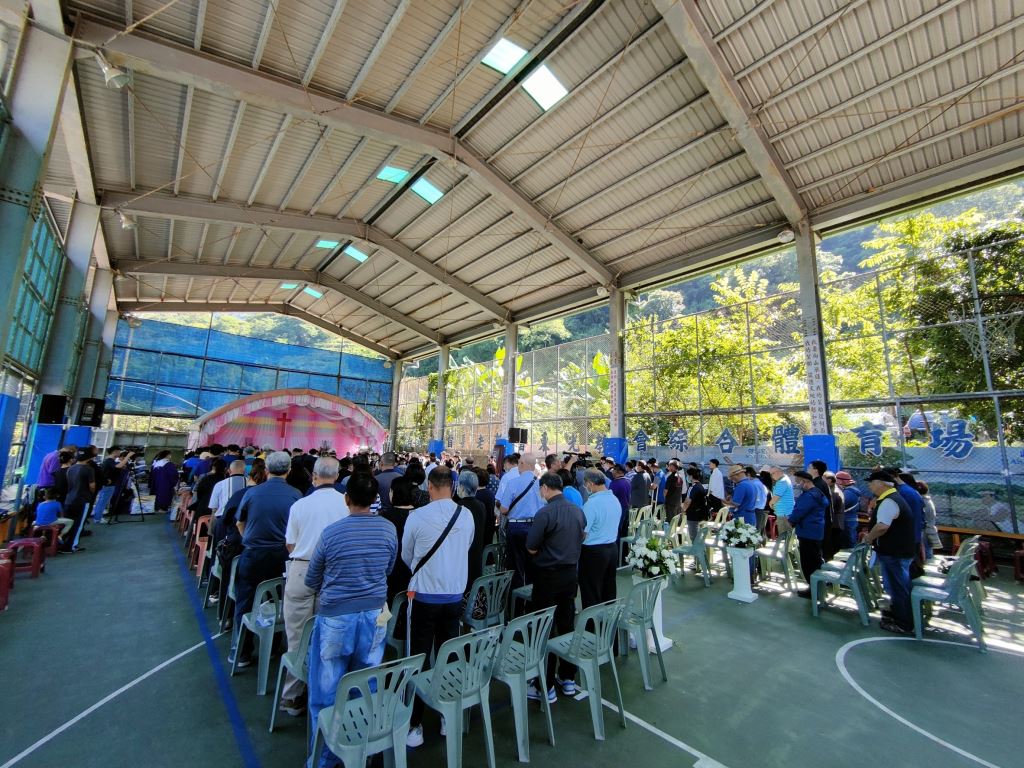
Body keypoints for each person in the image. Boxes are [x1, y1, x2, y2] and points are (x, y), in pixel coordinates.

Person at [305, 472, 397, 767]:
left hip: (336, 617)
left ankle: (327, 757)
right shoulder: (388, 529)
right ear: (375, 499)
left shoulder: (331, 533)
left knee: (326, 690)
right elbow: (389, 567)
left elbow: (311, 578)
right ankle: (363, 748)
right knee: (367, 683)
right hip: (374, 615)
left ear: (347, 499)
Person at [403, 467, 475, 748]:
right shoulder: (466, 515)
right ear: (453, 487)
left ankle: (414, 723)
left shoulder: (417, 516)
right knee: (449, 654)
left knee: (418, 657)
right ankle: (447, 715)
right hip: (454, 596)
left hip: (423, 596)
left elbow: (407, 554)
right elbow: (467, 546)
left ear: (430, 486)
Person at [280, 456, 348, 717]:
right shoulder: (346, 503)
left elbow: (290, 544)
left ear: (314, 477)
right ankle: (326, 693)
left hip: (302, 569)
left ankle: (292, 695)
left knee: (297, 635)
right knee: (330, 634)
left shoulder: (300, 505)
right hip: (334, 572)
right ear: (337, 476)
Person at [229, 451, 301, 667]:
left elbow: (239, 522)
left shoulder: (252, 493)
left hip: (253, 553)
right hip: (282, 555)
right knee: (278, 601)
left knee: (245, 601)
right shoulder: (296, 495)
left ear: (266, 470)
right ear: (289, 471)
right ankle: (272, 647)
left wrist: (249, 539)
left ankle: (241, 651)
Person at [526, 472, 586, 702]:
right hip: (570, 574)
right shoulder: (577, 510)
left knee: (544, 628)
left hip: (548, 576)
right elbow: (582, 535)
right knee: (566, 623)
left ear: (544, 488)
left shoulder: (545, 513)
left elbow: (531, 547)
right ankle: (568, 677)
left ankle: (545, 685)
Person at [862, 470, 916, 633]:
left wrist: (869, 538)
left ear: (881, 483)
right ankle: (898, 613)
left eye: (872, 483)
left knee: (898, 587)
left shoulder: (889, 501)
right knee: (895, 586)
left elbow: (882, 526)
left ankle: (903, 623)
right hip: (895, 551)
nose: (870, 486)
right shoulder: (892, 498)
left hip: (895, 552)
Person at [497, 454, 544, 590]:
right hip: (535, 527)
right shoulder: (541, 484)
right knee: (532, 563)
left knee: (515, 565)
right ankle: (530, 596)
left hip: (516, 527)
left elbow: (504, 509)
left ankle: (516, 598)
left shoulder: (513, 483)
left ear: (522, 464)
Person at [579, 468, 620, 609]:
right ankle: (608, 618)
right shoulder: (614, 499)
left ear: (590, 484)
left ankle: (591, 621)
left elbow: (583, 532)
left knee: (591, 589)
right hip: (612, 548)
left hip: (593, 551)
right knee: (609, 587)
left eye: (586, 484)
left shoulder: (591, 504)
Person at [789, 471, 828, 596]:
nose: (797, 485)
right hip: (816, 531)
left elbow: (799, 511)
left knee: (808, 562)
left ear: (804, 482)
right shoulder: (818, 493)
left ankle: (813, 590)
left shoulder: (809, 496)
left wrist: (791, 521)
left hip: (807, 532)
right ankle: (818, 587)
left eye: (798, 482)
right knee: (815, 560)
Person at [382, 476, 415, 601]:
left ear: (394, 493)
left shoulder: (385, 517)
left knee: (392, 601)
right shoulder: (420, 515)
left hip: (391, 571)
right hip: (413, 571)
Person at [454, 469, 488, 588]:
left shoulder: (459, 507)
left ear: (462, 487)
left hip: (462, 557)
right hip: (477, 554)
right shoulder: (481, 505)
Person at [62, 450, 96, 551]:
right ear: (88, 458)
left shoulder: (70, 468)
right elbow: (92, 486)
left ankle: (62, 542)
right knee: (78, 524)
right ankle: (70, 546)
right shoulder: (89, 469)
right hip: (82, 499)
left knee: (67, 522)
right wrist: (91, 493)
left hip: (69, 499)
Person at [92, 448, 134, 523]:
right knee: (103, 501)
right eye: (119, 452)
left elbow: (116, 467)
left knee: (102, 501)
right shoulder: (110, 461)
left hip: (108, 484)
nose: (120, 454)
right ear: (114, 452)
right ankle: (98, 518)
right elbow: (119, 466)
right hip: (108, 485)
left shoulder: (110, 461)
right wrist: (127, 456)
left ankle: (97, 517)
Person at [681, 466, 709, 542]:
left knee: (693, 536)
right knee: (699, 535)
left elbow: (688, 501)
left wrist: (683, 510)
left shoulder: (692, 487)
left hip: (693, 515)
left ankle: (696, 548)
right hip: (701, 514)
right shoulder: (700, 486)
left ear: (691, 476)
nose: (687, 477)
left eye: (687, 475)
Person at [823, 471, 846, 562]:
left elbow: (829, 509)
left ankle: (829, 563)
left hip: (834, 524)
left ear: (829, 480)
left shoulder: (833, 492)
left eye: (823, 479)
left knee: (830, 546)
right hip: (836, 522)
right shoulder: (836, 489)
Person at [836, 471, 862, 548]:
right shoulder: (850, 491)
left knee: (847, 545)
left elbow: (839, 504)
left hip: (846, 521)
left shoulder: (849, 493)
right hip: (849, 520)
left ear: (841, 481)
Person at [917, 480, 942, 559]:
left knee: (926, 554)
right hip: (929, 529)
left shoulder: (922, 502)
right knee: (928, 552)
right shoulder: (928, 500)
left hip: (925, 531)